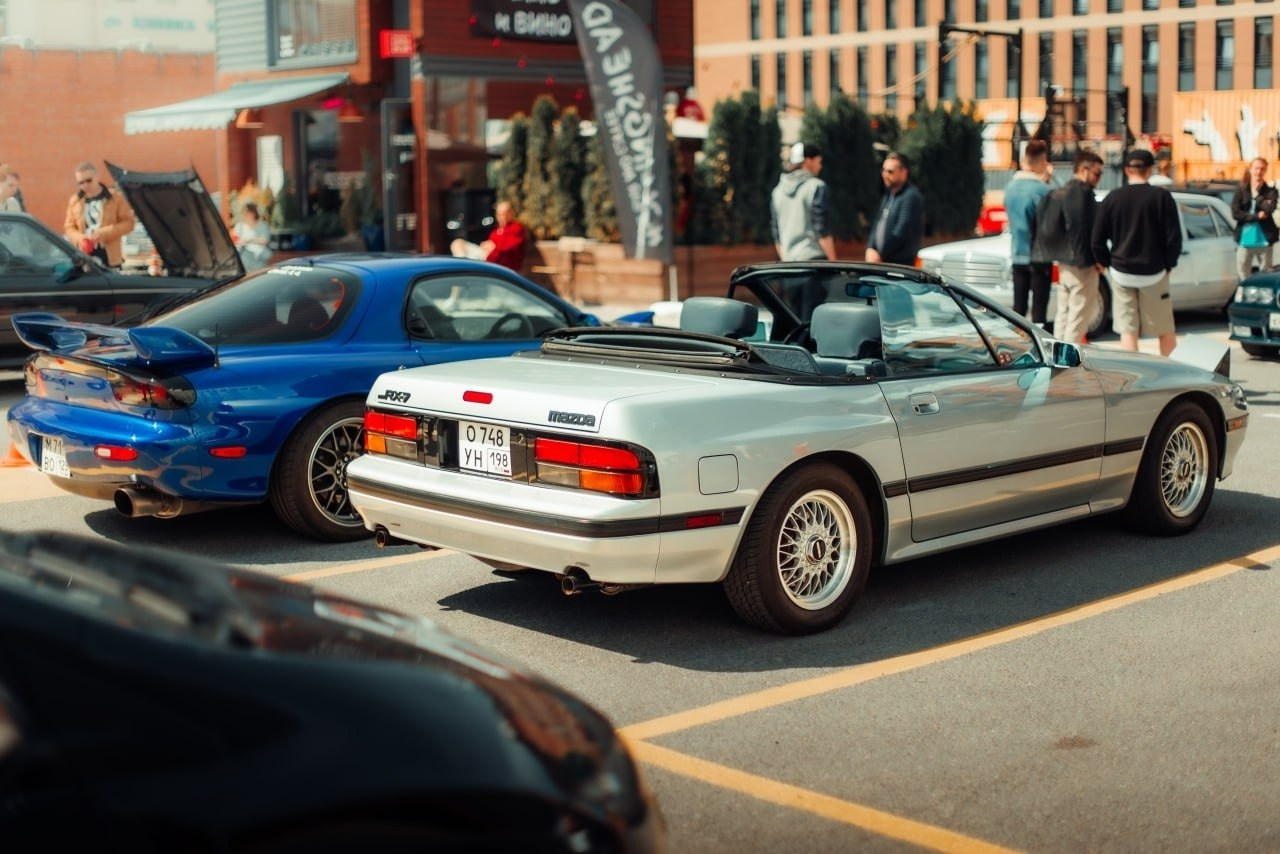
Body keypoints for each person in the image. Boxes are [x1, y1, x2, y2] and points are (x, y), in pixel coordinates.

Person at [1091, 148, 1183, 356]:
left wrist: (1106, 263)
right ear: (1150, 170)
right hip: (1155, 272)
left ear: (1126, 170)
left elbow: (1096, 240)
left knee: (1128, 331)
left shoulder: (1113, 198)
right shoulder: (1162, 197)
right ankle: (1173, 378)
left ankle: (1132, 380)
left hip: (1121, 272)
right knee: (1165, 330)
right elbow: (1174, 238)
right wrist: (1169, 264)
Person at [1033, 149, 1105, 344]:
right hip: (1082, 263)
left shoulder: (1059, 193)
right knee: (1078, 315)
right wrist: (1098, 260)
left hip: (1063, 261)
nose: (1099, 178)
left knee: (1063, 312)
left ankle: (1058, 352)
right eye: (1097, 172)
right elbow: (1084, 230)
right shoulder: (1083, 194)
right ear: (1083, 169)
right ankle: (1068, 358)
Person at [1003, 139, 1054, 326]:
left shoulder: (1010, 188)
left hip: (1017, 254)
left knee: (1019, 309)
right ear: (1043, 161)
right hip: (1039, 258)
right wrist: (1049, 179)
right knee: (1039, 311)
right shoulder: (1043, 190)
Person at [771, 142, 836, 262]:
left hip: (788, 264)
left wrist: (785, 260)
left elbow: (776, 233)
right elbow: (822, 228)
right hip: (815, 262)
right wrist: (833, 262)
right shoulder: (817, 187)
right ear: (808, 161)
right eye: (818, 161)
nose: (820, 166)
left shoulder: (777, 191)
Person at [64, 161, 136, 268]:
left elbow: (129, 223)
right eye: (81, 182)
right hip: (85, 254)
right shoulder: (75, 201)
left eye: (89, 180)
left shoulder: (115, 197)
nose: (85, 185)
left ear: (97, 177)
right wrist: (79, 238)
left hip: (110, 255)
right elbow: (69, 228)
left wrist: (105, 232)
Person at [865, 151, 924, 266]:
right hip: (882, 263)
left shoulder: (910, 196)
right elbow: (877, 224)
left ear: (904, 172)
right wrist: (870, 248)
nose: (885, 174)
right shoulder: (889, 195)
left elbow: (901, 232)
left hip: (899, 266)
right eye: (883, 170)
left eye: (890, 171)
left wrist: (880, 254)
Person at [1229, 156, 1278, 280]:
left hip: (1264, 240)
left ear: (1265, 170)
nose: (1259, 172)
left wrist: (1257, 196)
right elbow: (1235, 213)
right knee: (1243, 274)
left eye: (1262, 169)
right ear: (1250, 169)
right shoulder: (1241, 190)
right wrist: (1256, 216)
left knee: (1266, 276)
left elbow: (1269, 210)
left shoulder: (1270, 191)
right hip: (1244, 241)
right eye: (1256, 168)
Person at [450, 200, 527, 272]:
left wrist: (493, 247)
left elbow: (503, 249)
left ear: (511, 213)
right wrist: (487, 245)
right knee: (457, 244)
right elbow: (490, 244)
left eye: (505, 214)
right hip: (486, 259)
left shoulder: (516, 228)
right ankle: (462, 269)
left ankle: (463, 270)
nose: (502, 217)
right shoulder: (496, 231)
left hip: (496, 265)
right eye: (499, 214)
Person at [234, 201, 273, 271]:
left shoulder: (262, 225)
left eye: (248, 213)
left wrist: (249, 240)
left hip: (258, 259)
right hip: (244, 259)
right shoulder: (239, 226)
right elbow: (235, 240)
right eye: (244, 213)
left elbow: (265, 240)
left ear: (254, 213)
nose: (246, 215)